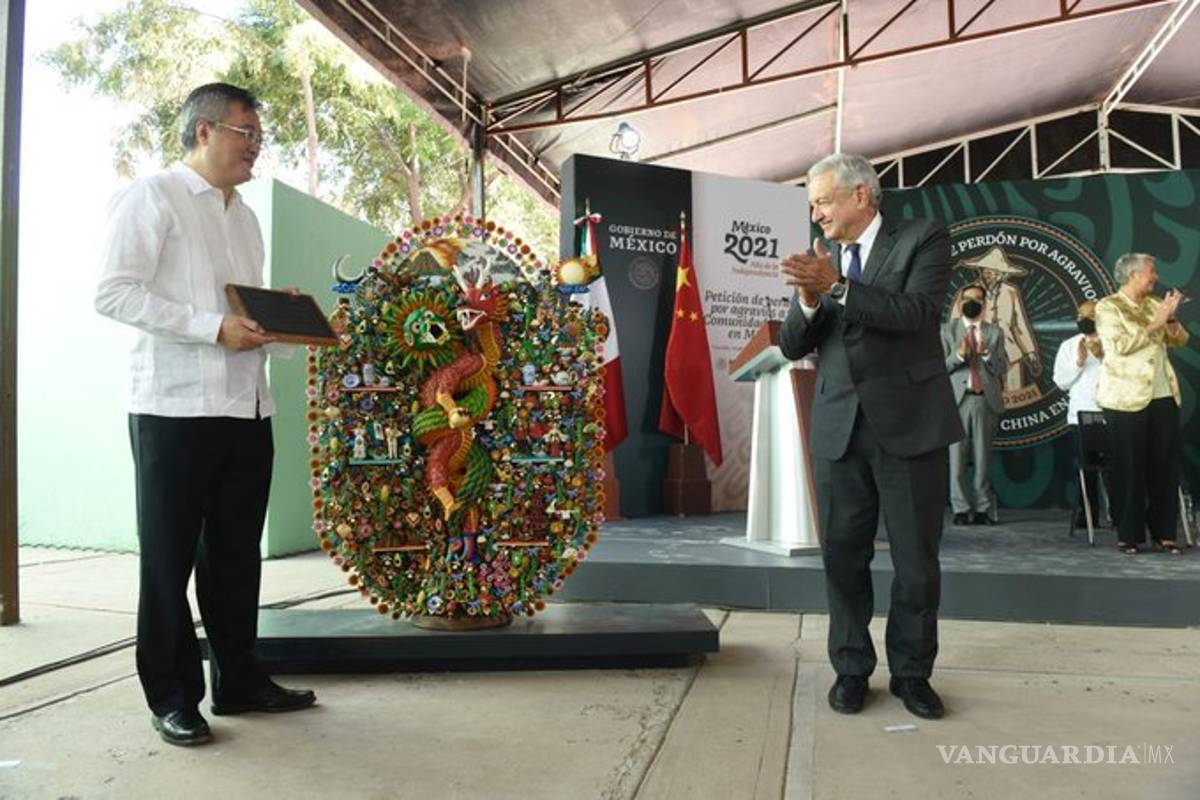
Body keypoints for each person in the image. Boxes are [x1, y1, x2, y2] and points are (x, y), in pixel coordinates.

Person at [95, 83, 316, 747]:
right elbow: (113, 292)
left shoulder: (244, 216)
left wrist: (276, 316)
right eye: (246, 132)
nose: (256, 146)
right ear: (204, 132)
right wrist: (211, 327)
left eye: (258, 134)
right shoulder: (152, 197)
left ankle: (240, 679)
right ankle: (171, 695)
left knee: (234, 555)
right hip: (174, 408)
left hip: (246, 407)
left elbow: (236, 315)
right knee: (168, 559)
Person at [779, 153, 962, 720]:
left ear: (862, 196)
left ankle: (912, 674)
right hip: (839, 430)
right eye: (812, 203)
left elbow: (915, 312)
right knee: (842, 558)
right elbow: (791, 346)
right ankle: (851, 669)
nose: (816, 213)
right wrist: (810, 298)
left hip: (909, 425)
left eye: (824, 200)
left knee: (915, 562)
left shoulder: (922, 238)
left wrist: (835, 287)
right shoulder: (823, 264)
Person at [1094, 253, 1189, 555]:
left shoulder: (1153, 304)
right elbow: (1119, 347)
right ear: (1134, 274)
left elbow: (1179, 340)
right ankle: (1129, 534)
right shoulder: (1108, 306)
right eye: (1152, 271)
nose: (1156, 276)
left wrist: (1170, 319)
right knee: (1129, 467)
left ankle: (1165, 533)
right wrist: (1155, 323)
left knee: (1164, 466)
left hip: (1162, 394)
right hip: (1125, 399)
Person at [941, 283, 1007, 526]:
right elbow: (939, 368)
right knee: (956, 459)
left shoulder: (994, 332)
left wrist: (987, 353)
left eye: (978, 299)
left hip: (984, 401)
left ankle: (982, 508)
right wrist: (959, 355)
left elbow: (1002, 368)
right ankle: (960, 508)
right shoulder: (947, 331)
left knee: (983, 459)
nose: (973, 302)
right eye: (968, 298)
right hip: (957, 401)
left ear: (984, 304)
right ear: (960, 303)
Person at [1052, 300, 1109, 528]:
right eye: (1079, 315)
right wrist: (1079, 362)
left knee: (1117, 468)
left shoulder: (1115, 342)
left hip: (1112, 413)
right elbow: (1061, 382)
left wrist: (1103, 356)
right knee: (1087, 470)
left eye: (1090, 315)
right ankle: (1088, 515)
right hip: (1080, 416)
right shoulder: (1069, 345)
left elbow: (1124, 375)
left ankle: (1119, 514)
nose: (1083, 319)